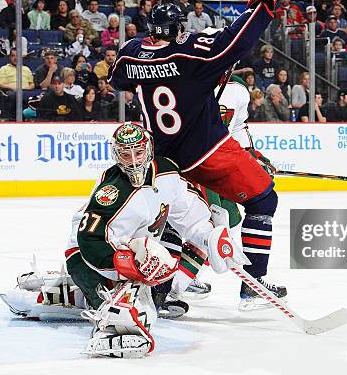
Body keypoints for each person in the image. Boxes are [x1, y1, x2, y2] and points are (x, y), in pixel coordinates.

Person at [108, 0, 287, 309]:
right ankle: (254, 285)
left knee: (179, 221)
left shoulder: (132, 55)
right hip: (207, 154)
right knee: (263, 200)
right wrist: (262, 5)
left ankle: (163, 292)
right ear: (178, 27)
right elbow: (238, 42)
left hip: (161, 158)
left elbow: (117, 77)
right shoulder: (192, 54)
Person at [59, 123, 246, 357]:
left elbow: (191, 217)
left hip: (136, 248)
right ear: (117, 155)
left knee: (152, 285)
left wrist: (212, 238)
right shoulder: (113, 191)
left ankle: (74, 294)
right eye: (126, 155)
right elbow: (89, 239)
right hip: (87, 256)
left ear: (148, 149)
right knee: (122, 309)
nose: (134, 161)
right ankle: (92, 304)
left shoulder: (166, 174)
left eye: (138, 152)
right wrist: (123, 264)